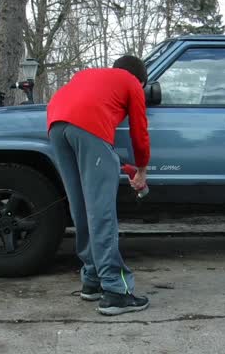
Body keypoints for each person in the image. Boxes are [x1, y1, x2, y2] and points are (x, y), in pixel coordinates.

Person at [47, 55, 151, 316]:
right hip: (87, 129)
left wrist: (125, 168)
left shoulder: (88, 76)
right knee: (101, 213)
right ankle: (116, 291)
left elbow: (100, 146)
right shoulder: (131, 82)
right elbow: (140, 132)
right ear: (139, 79)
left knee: (81, 209)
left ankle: (91, 280)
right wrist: (142, 168)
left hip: (56, 126)